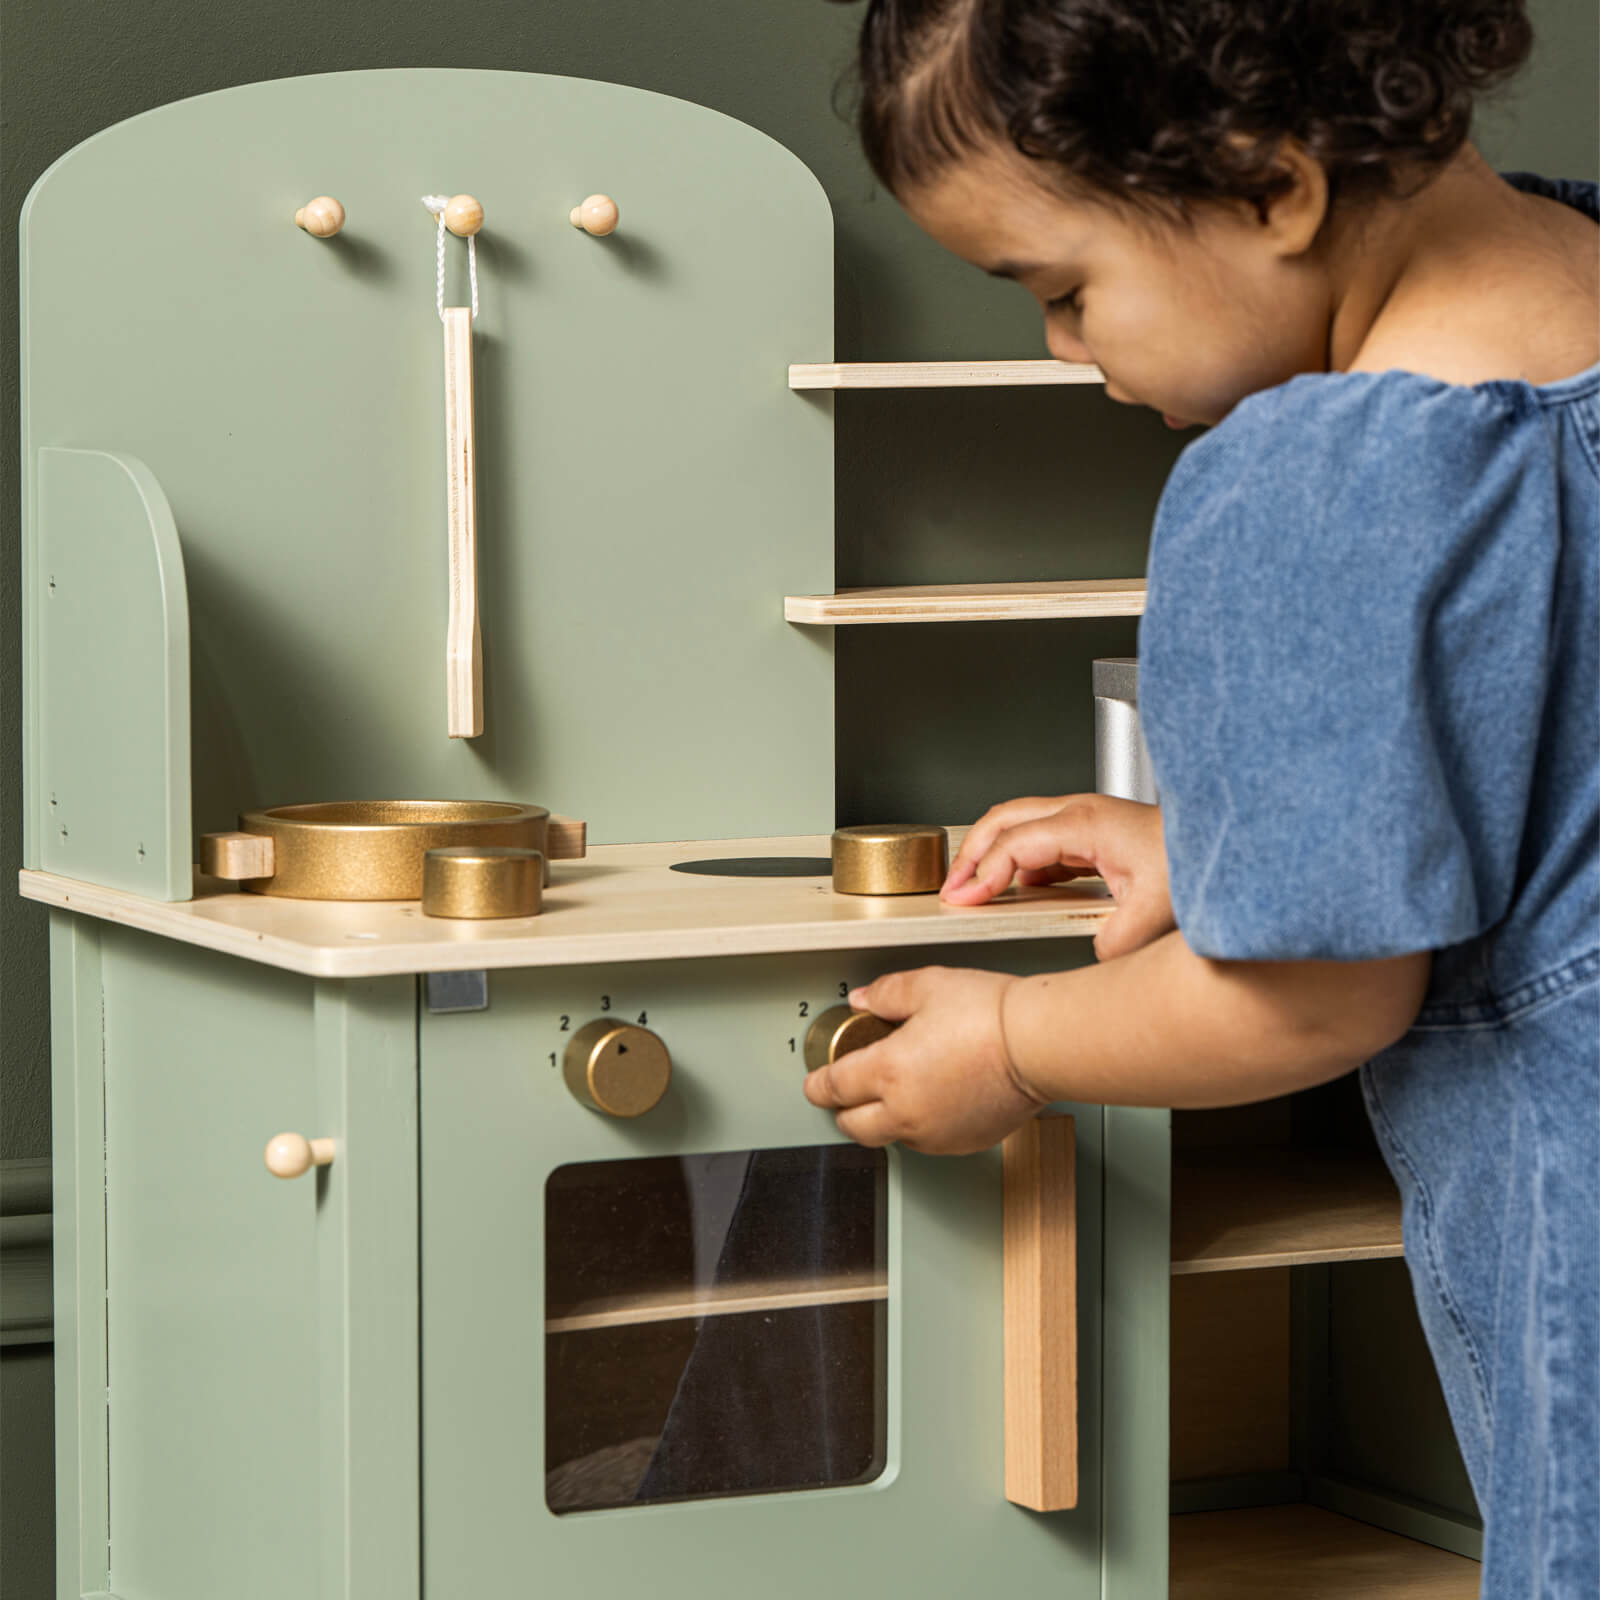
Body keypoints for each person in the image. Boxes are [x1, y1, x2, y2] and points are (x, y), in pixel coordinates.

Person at [802, 2, 1598, 1593]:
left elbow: (1310, 1000)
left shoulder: (1311, 484)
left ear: (1271, 184)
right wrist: (1218, 841)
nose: (1065, 350)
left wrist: (1016, 1047)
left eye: (1065, 290)